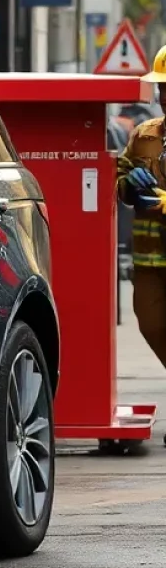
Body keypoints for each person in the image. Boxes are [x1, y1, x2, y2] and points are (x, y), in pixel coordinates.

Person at [117, 46, 166, 384]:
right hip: (151, 262)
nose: (165, 95)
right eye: (163, 88)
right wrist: (128, 184)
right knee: (151, 325)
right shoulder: (144, 135)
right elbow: (118, 177)